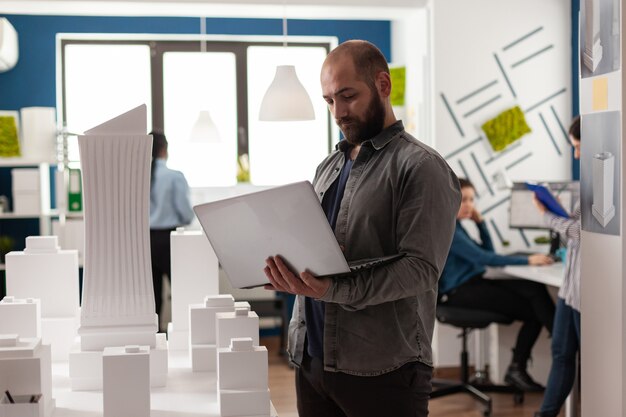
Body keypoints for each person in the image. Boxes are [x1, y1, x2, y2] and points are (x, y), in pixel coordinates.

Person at [262, 40, 461, 417]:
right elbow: (322, 252)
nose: (338, 112)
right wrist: (287, 270)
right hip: (313, 359)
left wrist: (332, 288)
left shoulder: (421, 167)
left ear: (383, 85)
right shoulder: (328, 166)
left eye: (347, 96)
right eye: (329, 101)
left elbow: (420, 269)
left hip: (383, 368)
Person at [439, 177, 556, 392]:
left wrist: (481, 223)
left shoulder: (458, 226)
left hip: (472, 284)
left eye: (472, 200)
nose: (469, 205)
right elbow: (486, 259)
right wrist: (528, 260)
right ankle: (546, 355)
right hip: (460, 292)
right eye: (463, 200)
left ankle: (556, 343)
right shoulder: (450, 230)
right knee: (534, 311)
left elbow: (489, 253)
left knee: (534, 289)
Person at [534, 116, 581, 417]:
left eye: (577, 147)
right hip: (570, 287)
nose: (575, 154)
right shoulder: (590, 182)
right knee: (561, 354)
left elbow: (580, 234)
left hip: (586, 291)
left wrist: (547, 216)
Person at [149, 131, 194, 326]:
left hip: (145, 241)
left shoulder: (137, 177)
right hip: (169, 240)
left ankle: (155, 339)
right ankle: (184, 332)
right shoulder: (174, 177)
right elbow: (186, 214)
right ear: (164, 149)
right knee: (181, 290)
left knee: (152, 296)